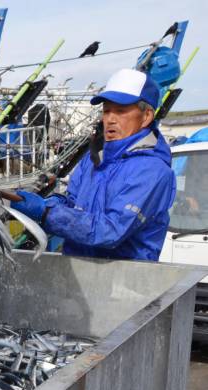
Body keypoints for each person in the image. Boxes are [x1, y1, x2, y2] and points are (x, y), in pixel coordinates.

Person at [10, 68, 176, 261]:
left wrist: (46, 213)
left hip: (128, 283)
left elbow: (111, 231)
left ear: (146, 116)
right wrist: (45, 203)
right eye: (106, 111)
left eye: (120, 111)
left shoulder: (152, 171)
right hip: (81, 277)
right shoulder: (93, 159)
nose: (110, 120)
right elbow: (72, 203)